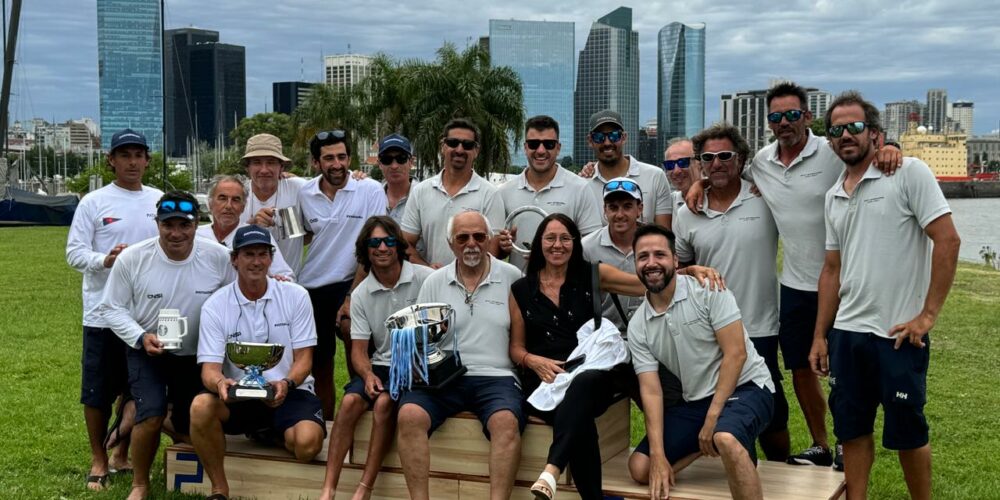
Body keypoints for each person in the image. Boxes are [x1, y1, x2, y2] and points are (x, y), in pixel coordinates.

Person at [686, 82, 903, 468]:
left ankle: (846, 441)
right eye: (776, 116)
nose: (784, 122)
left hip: (844, 280)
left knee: (841, 370)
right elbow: (724, 169)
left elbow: (864, 154)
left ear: (807, 116)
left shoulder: (830, 149)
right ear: (769, 122)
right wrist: (700, 181)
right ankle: (821, 443)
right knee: (801, 368)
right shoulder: (762, 163)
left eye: (791, 114)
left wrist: (892, 147)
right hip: (796, 285)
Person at [809, 91, 960, 500]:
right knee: (851, 430)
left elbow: (947, 241)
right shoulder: (833, 195)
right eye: (836, 130)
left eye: (855, 127)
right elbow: (832, 270)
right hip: (848, 334)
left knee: (908, 432)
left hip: (898, 334)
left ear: (875, 134)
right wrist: (821, 335)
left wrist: (927, 316)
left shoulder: (909, 173)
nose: (845, 135)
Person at [98, 191, 236, 500]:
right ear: (157, 224)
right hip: (147, 350)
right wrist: (139, 336)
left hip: (198, 355)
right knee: (152, 415)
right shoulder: (134, 258)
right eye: (167, 225)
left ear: (197, 223)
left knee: (191, 426)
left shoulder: (218, 256)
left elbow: (233, 299)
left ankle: (131, 409)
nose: (176, 233)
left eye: (184, 225)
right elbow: (111, 307)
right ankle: (140, 484)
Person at [627, 225, 775, 500]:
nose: (651, 263)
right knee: (640, 467)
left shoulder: (709, 288)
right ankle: (713, 442)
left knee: (725, 437)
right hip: (697, 401)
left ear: (675, 260)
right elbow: (651, 391)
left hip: (747, 387)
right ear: (634, 264)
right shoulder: (638, 325)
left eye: (660, 254)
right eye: (642, 256)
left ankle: (725, 438)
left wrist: (713, 418)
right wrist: (658, 455)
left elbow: (736, 354)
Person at [672, 123, 789, 461]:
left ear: (740, 159)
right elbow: (679, 270)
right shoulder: (687, 213)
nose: (717, 163)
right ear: (699, 164)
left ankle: (782, 469)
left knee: (772, 409)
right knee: (721, 404)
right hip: (711, 330)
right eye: (708, 158)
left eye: (725, 156)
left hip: (760, 325)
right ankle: (739, 469)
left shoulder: (764, 197)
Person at [508, 213, 646, 500]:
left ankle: (552, 470)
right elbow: (516, 348)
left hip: (593, 372)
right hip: (547, 379)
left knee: (582, 384)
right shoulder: (521, 289)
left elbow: (645, 284)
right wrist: (533, 361)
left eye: (565, 239)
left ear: (575, 243)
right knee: (577, 417)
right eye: (550, 238)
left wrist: (689, 272)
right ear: (539, 243)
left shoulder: (593, 274)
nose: (557, 245)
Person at [395, 210, 524, 500]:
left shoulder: (512, 278)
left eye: (479, 236)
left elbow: (522, 339)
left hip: (497, 376)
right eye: (463, 238)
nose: (472, 244)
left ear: (489, 239)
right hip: (446, 376)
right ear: (450, 243)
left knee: (506, 422)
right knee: (409, 415)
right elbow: (419, 340)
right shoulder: (434, 282)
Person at [190, 225, 325, 499]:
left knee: (308, 446)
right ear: (234, 260)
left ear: (271, 258)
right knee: (201, 406)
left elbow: (304, 359)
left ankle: (270, 433)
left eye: (263, 254)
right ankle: (219, 489)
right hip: (240, 395)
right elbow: (210, 370)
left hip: (290, 391)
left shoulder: (296, 295)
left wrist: (286, 383)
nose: (256, 262)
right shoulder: (216, 305)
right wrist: (221, 383)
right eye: (248, 254)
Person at [66, 128, 162, 490]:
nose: (132, 162)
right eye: (125, 155)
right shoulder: (94, 202)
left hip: (146, 314)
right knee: (98, 391)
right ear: (111, 160)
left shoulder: (158, 200)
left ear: (147, 161)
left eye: (138, 155)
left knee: (136, 388)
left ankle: (121, 453)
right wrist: (105, 260)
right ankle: (99, 459)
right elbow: (74, 253)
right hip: (103, 312)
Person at [319, 216, 433, 500]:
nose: (382, 248)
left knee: (383, 404)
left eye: (389, 241)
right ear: (365, 250)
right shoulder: (360, 294)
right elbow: (358, 351)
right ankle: (328, 489)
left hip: (416, 365)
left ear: (399, 245)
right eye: (375, 243)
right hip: (381, 364)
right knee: (349, 402)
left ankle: (364, 489)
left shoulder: (425, 278)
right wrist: (368, 374)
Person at [297, 129, 388, 420]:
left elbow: (372, 245)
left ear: (350, 158)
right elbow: (305, 234)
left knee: (355, 348)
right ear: (316, 162)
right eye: (328, 158)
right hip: (313, 286)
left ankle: (359, 421)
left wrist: (351, 296)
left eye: (342, 157)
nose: (337, 164)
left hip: (354, 282)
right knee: (320, 365)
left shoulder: (370, 189)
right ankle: (324, 425)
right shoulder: (304, 193)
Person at [497, 115, 603, 269]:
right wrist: (503, 247)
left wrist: (557, 252)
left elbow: (593, 245)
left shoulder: (580, 188)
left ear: (558, 148)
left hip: (565, 282)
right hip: (517, 281)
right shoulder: (505, 191)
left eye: (549, 144)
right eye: (534, 144)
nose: (541, 150)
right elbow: (495, 252)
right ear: (525, 147)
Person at [400, 118, 505, 267]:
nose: (459, 150)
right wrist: (429, 271)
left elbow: (492, 250)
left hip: (475, 280)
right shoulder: (420, 192)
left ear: (476, 151)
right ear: (443, 146)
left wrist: (464, 276)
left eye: (467, 145)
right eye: (453, 143)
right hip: (430, 279)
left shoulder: (490, 194)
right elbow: (405, 243)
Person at [580, 110, 672, 227]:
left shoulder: (655, 176)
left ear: (624, 138)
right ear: (590, 141)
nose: (607, 143)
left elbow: (664, 233)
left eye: (614, 136)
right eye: (599, 137)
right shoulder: (583, 184)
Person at [197, 174, 294, 280]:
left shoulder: (257, 236)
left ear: (243, 207)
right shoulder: (196, 236)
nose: (229, 206)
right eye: (222, 198)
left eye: (236, 200)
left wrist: (278, 280)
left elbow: (286, 276)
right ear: (210, 204)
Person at [580, 178, 647, 332]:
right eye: (613, 207)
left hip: (650, 332)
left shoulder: (655, 243)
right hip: (605, 334)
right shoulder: (588, 247)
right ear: (605, 210)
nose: (620, 214)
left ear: (640, 209)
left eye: (627, 206)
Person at [240, 133, 309, 274]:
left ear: (281, 167)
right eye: (257, 162)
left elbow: (331, 188)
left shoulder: (297, 189)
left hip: (288, 283)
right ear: (247, 167)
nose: (264, 170)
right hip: (247, 283)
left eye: (271, 162)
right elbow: (226, 242)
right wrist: (252, 225)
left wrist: (354, 175)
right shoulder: (237, 196)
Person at [662, 138, 697, 217]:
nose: (676, 171)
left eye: (683, 162)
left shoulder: (717, 197)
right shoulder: (667, 204)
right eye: (669, 164)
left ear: (699, 163)